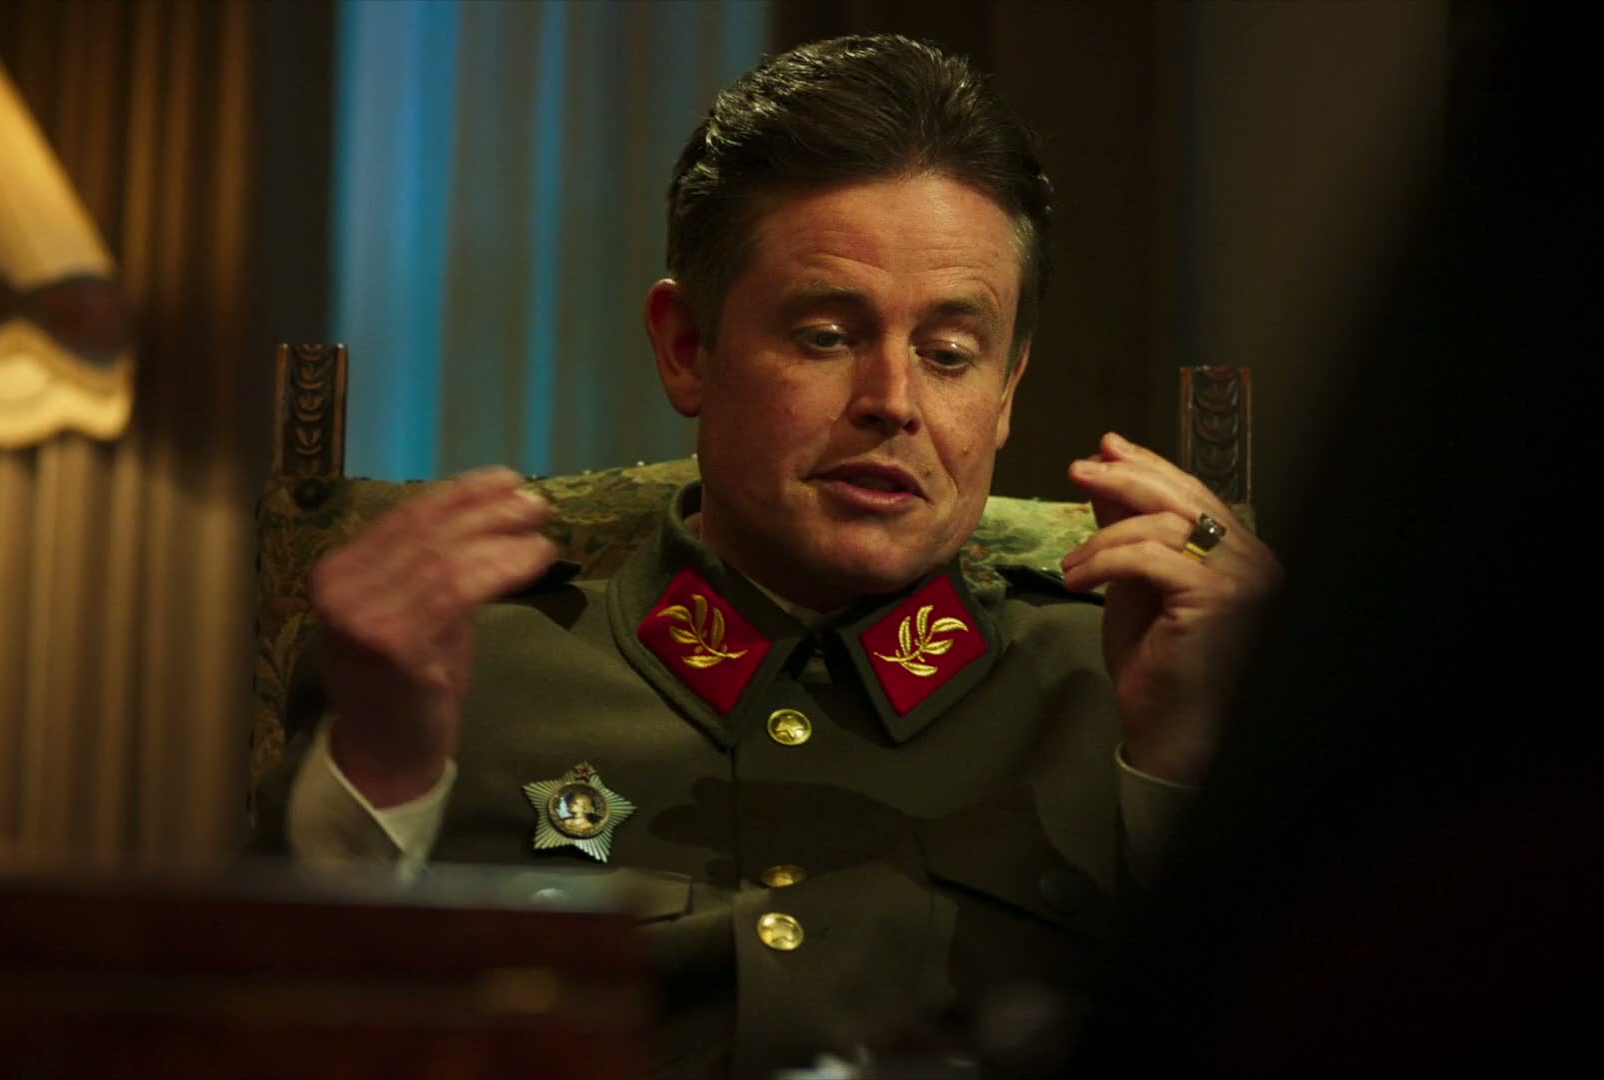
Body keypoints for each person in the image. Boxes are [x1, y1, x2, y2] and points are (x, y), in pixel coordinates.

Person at [253, 34, 1278, 1078]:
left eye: (949, 354)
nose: (893, 402)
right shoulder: (466, 677)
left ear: (1006, 390)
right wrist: (384, 764)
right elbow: (264, 1036)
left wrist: (1207, 759)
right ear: (685, 348)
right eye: (826, 336)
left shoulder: (1123, 694)